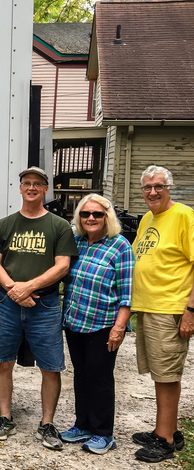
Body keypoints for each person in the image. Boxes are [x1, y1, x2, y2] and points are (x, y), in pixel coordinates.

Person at [0, 166, 78, 451]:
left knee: (50, 366)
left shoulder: (59, 226)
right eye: (27, 183)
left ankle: (47, 423)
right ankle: (4, 417)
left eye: (38, 184)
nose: (32, 188)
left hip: (45, 304)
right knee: (3, 361)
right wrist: (15, 289)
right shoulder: (5, 224)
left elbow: (63, 266)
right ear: (21, 188)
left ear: (46, 189)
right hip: (8, 303)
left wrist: (30, 287)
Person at [59, 194, 133, 455]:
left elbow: (128, 293)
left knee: (100, 377)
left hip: (103, 324)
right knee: (81, 375)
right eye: (85, 214)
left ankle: (104, 433)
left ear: (107, 217)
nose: (91, 218)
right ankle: (83, 425)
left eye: (97, 214)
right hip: (75, 321)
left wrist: (119, 327)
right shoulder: (76, 242)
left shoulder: (120, 246)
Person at [130, 165, 194, 463]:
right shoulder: (147, 218)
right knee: (161, 374)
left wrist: (191, 310)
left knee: (167, 376)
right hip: (149, 307)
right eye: (147, 187)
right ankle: (168, 429)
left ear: (169, 187)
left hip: (170, 309)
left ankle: (165, 439)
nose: (152, 192)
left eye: (158, 186)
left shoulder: (183, 216)